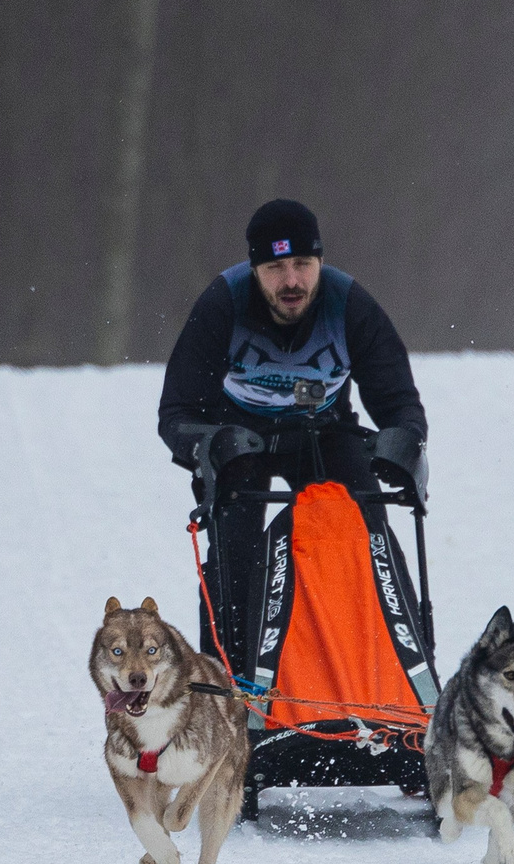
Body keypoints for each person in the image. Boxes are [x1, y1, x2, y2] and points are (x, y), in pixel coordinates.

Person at [157, 198, 427, 667]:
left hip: (321, 430)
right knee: (234, 554)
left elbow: (399, 402)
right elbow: (176, 411)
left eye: (303, 264)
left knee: (366, 535)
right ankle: (232, 686)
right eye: (275, 267)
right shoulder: (224, 303)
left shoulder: (351, 306)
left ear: (320, 262)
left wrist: (401, 445)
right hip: (239, 433)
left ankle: (401, 673)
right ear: (254, 268)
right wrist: (207, 445)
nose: (292, 281)